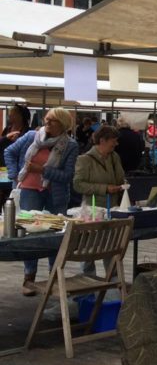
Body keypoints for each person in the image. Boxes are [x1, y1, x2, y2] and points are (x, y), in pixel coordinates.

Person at [4, 107, 80, 296]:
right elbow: (9, 152)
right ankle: (29, 278)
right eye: (46, 120)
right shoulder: (32, 136)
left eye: (52, 121)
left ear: (62, 124)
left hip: (55, 194)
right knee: (30, 233)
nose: (47, 123)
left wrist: (42, 170)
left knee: (55, 234)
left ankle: (54, 278)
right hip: (29, 190)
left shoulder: (70, 145)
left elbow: (67, 176)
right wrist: (14, 174)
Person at [74, 125, 126, 213]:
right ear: (102, 141)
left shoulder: (115, 157)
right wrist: (104, 188)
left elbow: (120, 178)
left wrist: (124, 184)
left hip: (114, 208)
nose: (117, 144)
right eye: (113, 141)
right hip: (93, 211)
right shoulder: (84, 159)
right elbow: (78, 185)